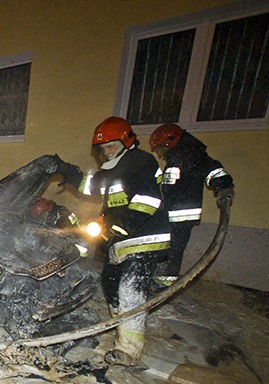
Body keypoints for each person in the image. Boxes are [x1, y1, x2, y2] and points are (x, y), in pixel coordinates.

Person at [61, 116, 171, 367]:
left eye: (111, 146)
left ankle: (129, 350)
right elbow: (91, 187)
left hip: (145, 237)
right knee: (109, 283)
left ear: (126, 141)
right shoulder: (109, 172)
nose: (106, 152)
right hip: (120, 240)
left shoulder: (140, 162)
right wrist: (67, 171)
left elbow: (148, 200)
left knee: (130, 289)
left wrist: (124, 225)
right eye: (103, 148)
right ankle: (122, 328)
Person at [149, 123, 235, 286]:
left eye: (160, 149)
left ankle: (165, 285)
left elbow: (212, 169)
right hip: (171, 215)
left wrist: (223, 185)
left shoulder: (191, 155)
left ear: (170, 143)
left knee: (173, 251)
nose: (160, 154)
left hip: (181, 216)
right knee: (164, 249)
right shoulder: (177, 159)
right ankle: (159, 280)